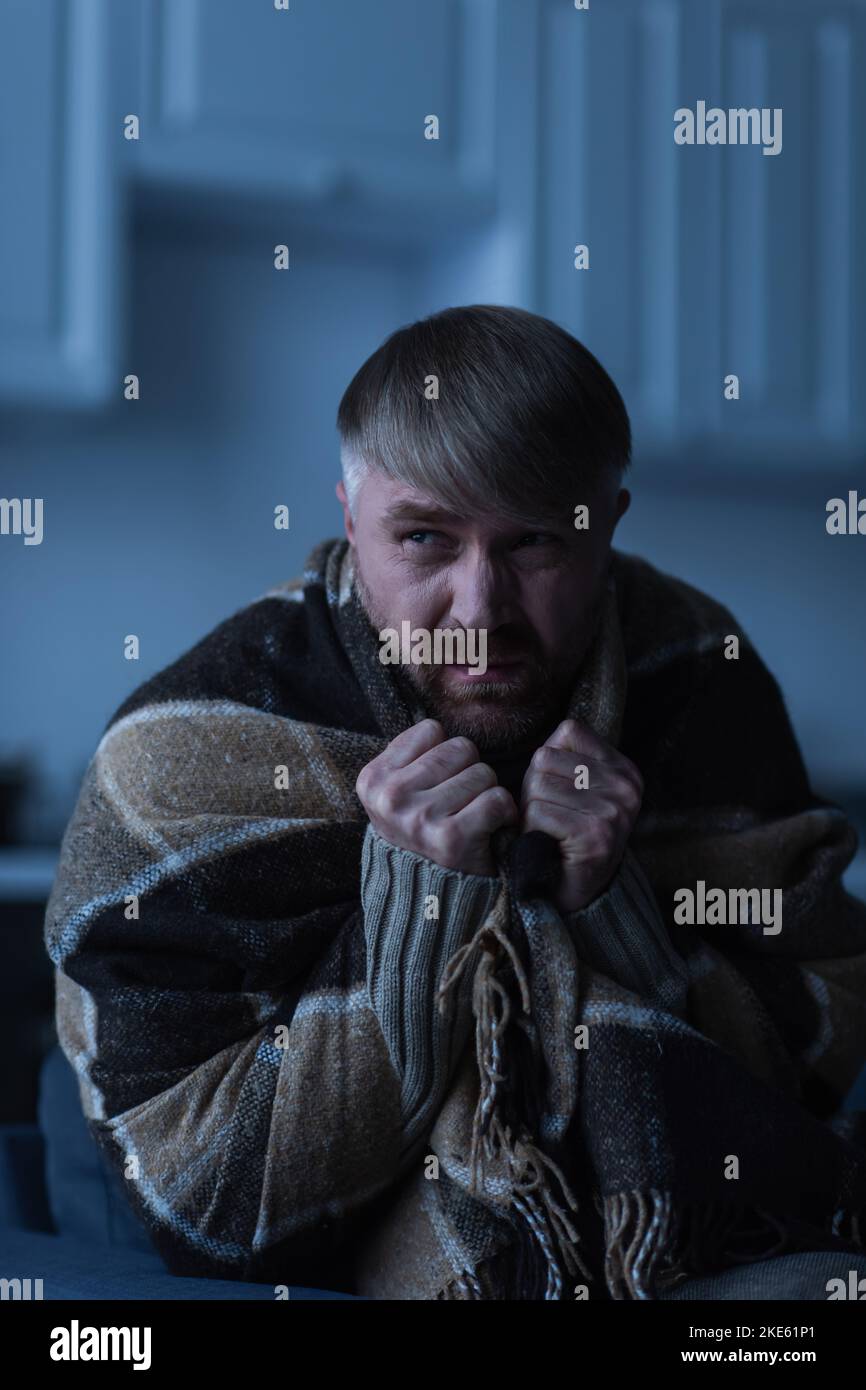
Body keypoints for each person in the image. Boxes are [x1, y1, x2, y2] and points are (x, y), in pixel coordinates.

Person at [44, 305, 866, 1300]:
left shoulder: (694, 667)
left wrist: (613, 903)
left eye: (532, 543)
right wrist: (422, 904)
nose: (478, 612)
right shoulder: (181, 747)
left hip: (689, 1237)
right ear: (348, 520)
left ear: (607, 522)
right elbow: (202, 1202)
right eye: (425, 537)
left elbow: (819, 1056)